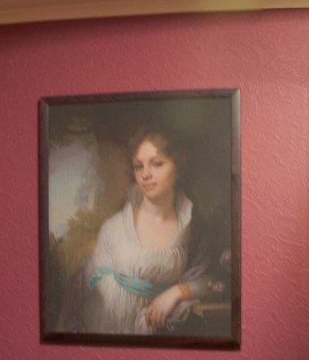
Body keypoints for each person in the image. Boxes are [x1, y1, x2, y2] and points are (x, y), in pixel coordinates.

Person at [60, 128, 215, 335]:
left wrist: (176, 292)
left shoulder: (190, 226)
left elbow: (211, 281)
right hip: (102, 322)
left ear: (178, 167)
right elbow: (85, 283)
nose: (145, 174)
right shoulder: (115, 225)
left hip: (152, 329)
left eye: (157, 163)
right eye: (138, 166)